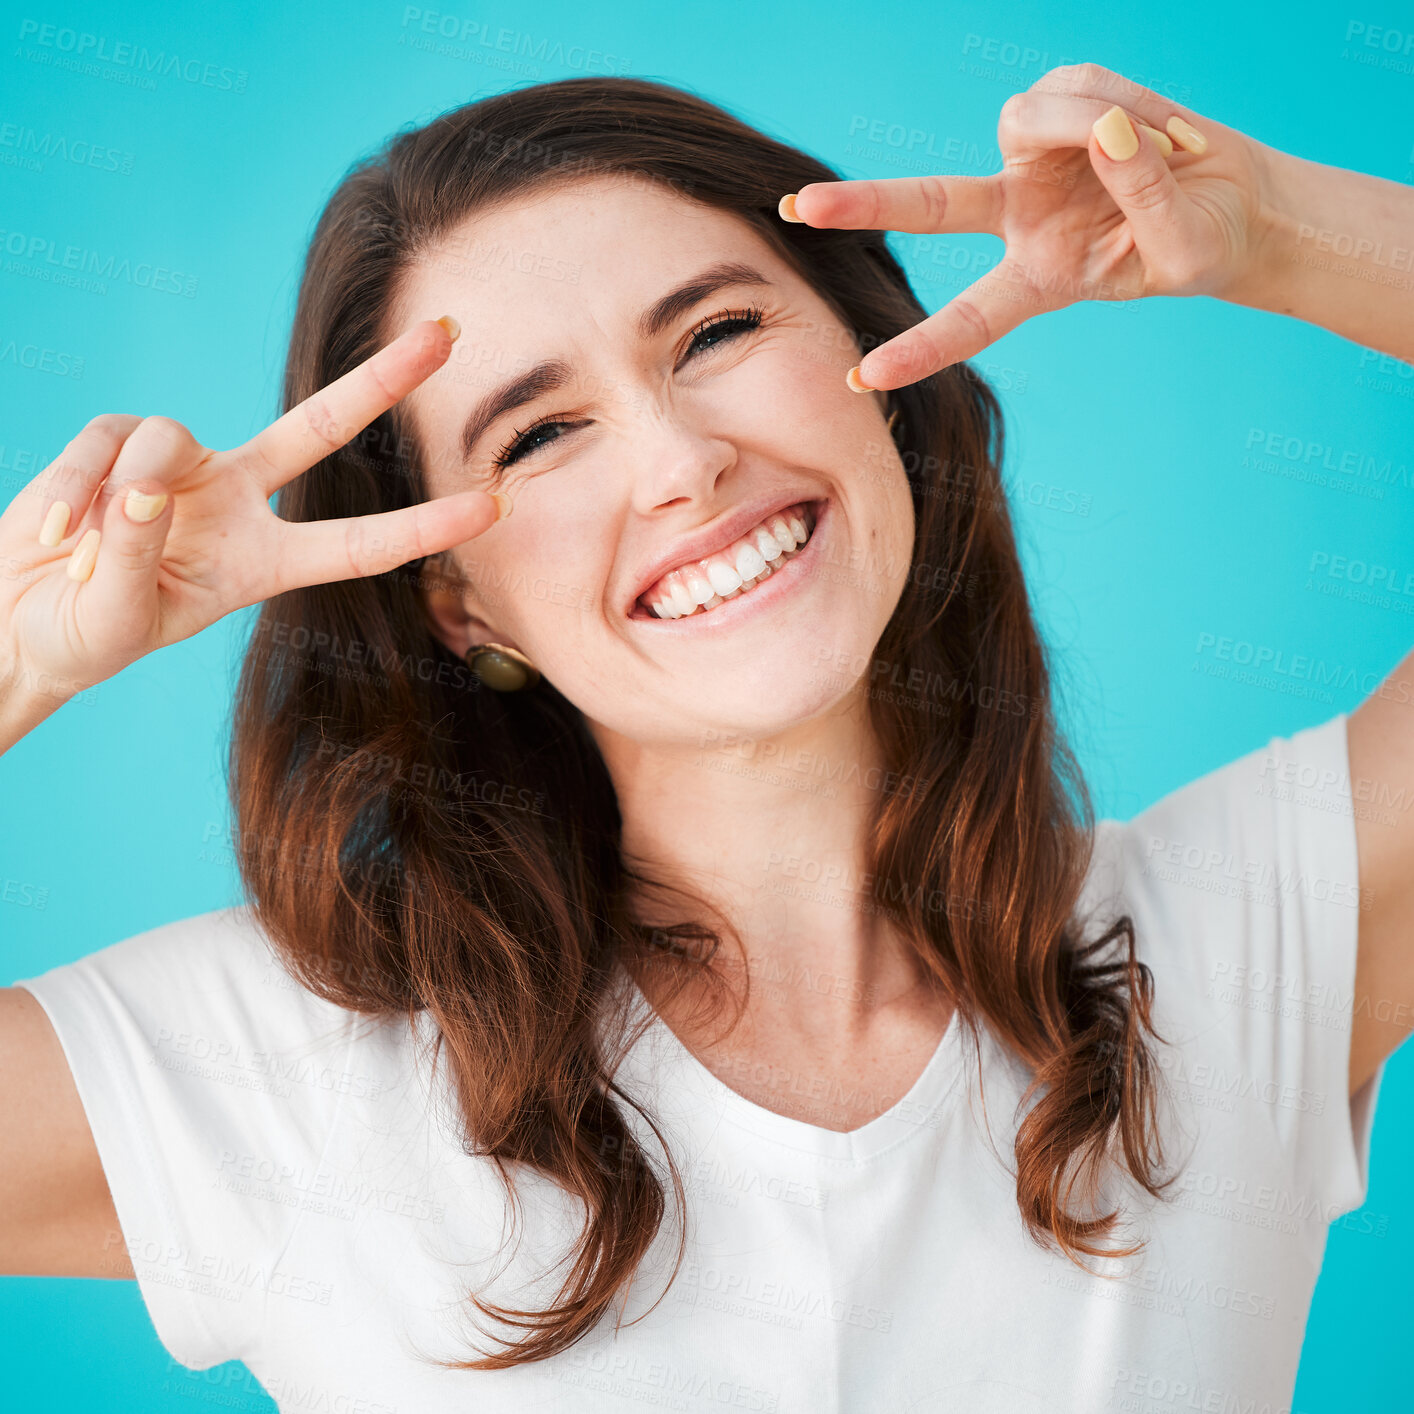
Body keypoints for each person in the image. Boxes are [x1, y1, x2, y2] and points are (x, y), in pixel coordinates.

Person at [1, 63, 1410, 1413]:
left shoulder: (1238, 950)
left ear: (878, 362)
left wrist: (1274, 232)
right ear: (455, 602)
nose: (680, 462)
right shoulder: (277, 1072)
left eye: (716, 334)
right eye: (540, 432)